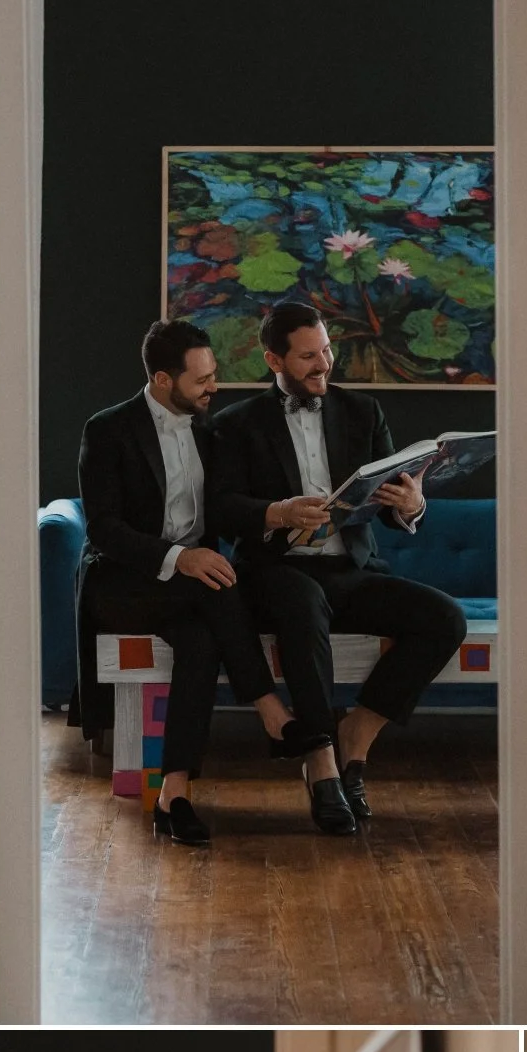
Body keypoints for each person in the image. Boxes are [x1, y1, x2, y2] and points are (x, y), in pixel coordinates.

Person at [209, 284, 468, 835]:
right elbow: (222, 507)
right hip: (274, 574)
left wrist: (412, 504)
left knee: (444, 617)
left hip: (348, 571)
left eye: (326, 350)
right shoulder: (235, 423)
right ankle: (322, 763)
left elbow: (399, 493)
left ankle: (357, 737)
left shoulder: (362, 410)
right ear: (273, 360)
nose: (323, 363)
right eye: (308, 355)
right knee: (302, 606)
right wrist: (278, 512)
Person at [75, 321, 305, 857]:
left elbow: (226, 507)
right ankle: (270, 708)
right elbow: (104, 529)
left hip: (191, 587)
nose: (213, 388)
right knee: (218, 587)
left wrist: (280, 518)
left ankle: (173, 795)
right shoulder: (108, 429)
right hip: (123, 582)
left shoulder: (210, 430)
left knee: (202, 641)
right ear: (161, 379)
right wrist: (180, 557)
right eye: (201, 379)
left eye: (214, 375)